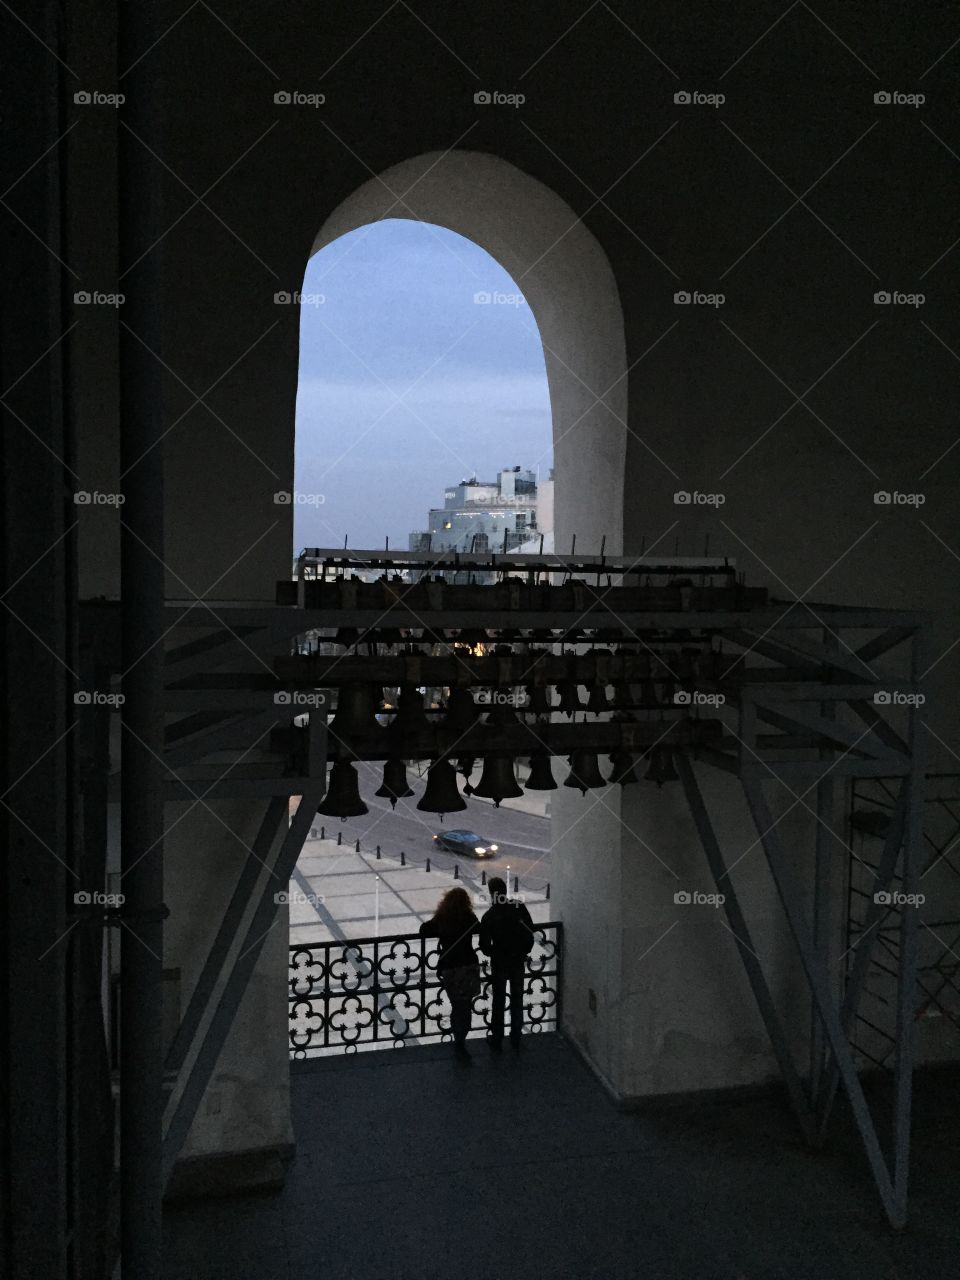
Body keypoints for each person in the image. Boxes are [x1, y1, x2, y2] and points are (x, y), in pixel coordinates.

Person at [419, 887, 481, 1061]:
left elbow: (424, 930)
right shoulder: (468, 917)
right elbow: (479, 928)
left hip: (450, 966)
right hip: (467, 965)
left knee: (456, 1004)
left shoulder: (443, 918)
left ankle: (458, 1038)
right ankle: (462, 1037)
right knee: (465, 1005)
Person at [479, 877, 534, 1051]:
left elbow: (484, 946)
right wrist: (524, 950)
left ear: (491, 893)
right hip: (517, 960)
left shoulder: (489, 916)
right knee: (517, 998)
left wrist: (495, 952)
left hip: (500, 962)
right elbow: (530, 930)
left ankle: (497, 1038)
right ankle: (516, 1036)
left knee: (499, 1000)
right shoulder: (518, 906)